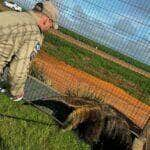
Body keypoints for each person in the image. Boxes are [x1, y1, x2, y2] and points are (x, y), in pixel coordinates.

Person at [0, 1, 59, 101]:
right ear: (46, 20)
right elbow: (18, 70)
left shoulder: (11, 14)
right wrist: (17, 93)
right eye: (51, 25)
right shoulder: (34, 33)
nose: (49, 29)